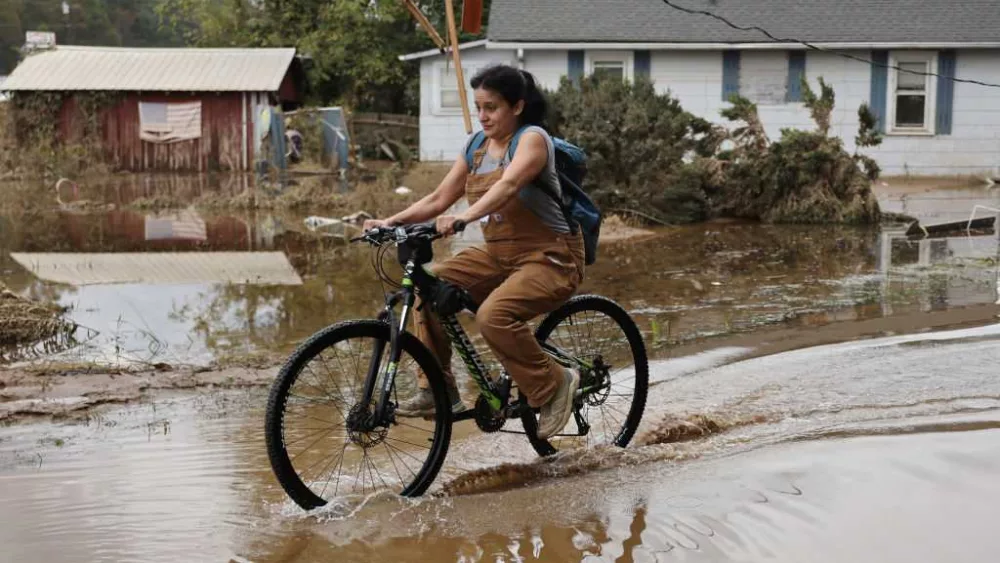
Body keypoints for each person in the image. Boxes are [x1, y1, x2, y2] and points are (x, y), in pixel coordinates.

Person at [362, 64, 586, 440]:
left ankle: (556, 383)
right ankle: (437, 389)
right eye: (479, 107)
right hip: (498, 255)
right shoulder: (476, 146)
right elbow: (439, 197)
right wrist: (389, 221)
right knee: (427, 287)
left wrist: (464, 217)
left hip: (551, 256)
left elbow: (509, 185)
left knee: (493, 316)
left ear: (517, 106)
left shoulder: (532, 140)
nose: (482, 116)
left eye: (491, 107)